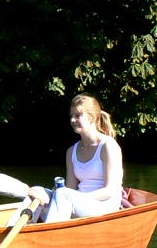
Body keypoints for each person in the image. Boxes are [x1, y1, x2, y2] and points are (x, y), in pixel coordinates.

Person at [43, 93, 123, 223]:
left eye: (78, 116)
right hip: (80, 203)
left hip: (105, 205)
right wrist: (57, 192)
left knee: (63, 194)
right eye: (71, 116)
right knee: (37, 192)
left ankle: (50, 237)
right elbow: (70, 188)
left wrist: (78, 197)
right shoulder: (71, 151)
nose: (72, 120)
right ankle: (14, 233)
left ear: (92, 118)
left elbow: (110, 190)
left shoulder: (108, 146)